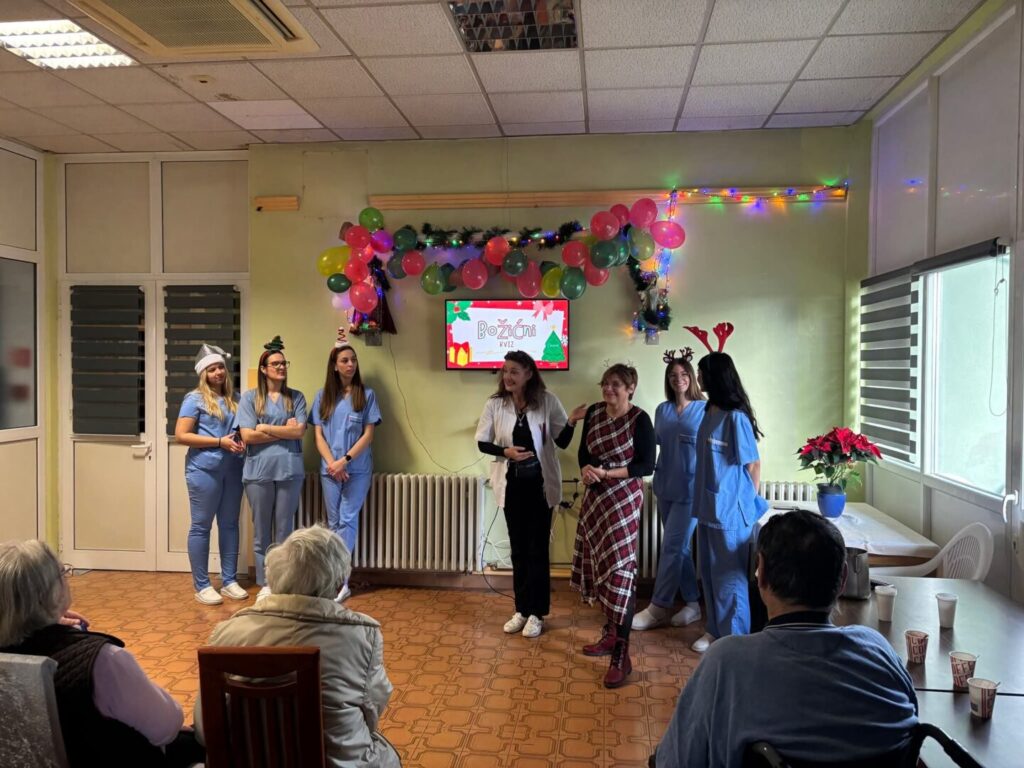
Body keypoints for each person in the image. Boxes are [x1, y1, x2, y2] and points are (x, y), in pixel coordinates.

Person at [651, 511, 919, 767]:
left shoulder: (726, 662)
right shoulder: (878, 651)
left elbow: (674, 761)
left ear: (761, 573)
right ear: (842, 580)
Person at [195, 525, 401, 768]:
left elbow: (203, 729)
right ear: (338, 587)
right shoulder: (361, 636)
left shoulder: (227, 633)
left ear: (274, 578)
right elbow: (371, 712)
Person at [0, 539, 192, 767]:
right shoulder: (104, 660)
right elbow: (166, 727)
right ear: (51, 593)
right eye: (63, 573)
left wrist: (45, 620)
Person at [475, 350, 586, 639]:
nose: (508, 376)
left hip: (540, 487)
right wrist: (506, 452)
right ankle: (522, 609)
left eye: (514, 371)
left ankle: (537, 613)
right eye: (505, 371)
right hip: (511, 486)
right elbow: (483, 443)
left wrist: (572, 421)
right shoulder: (495, 404)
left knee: (537, 550)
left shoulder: (547, 401)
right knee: (518, 550)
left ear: (528, 373)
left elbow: (561, 441)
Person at [571, 363, 655, 688]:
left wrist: (606, 473)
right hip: (596, 499)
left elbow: (646, 465)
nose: (609, 389)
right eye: (605, 383)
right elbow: (583, 453)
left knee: (621, 569)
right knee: (601, 564)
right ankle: (610, 633)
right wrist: (586, 471)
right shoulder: (593, 413)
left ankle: (622, 652)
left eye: (616, 384)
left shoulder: (640, 419)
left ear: (631, 387)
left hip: (623, 500)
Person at [687, 329, 769, 654]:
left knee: (730, 579)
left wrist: (746, 505)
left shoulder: (736, 419)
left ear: (714, 376)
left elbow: (753, 465)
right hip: (708, 508)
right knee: (708, 574)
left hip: (731, 513)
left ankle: (734, 641)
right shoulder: (709, 411)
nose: (697, 378)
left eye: (701, 372)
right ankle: (714, 630)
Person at [633, 349, 707, 631]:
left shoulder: (704, 409)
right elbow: (655, 443)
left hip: (691, 489)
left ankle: (658, 606)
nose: (679, 379)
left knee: (672, 546)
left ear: (692, 377)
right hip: (665, 485)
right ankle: (692, 603)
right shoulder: (662, 410)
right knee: (680, 548)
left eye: (684, 374)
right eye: (673, 375)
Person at [311, 330, 382, 603]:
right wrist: (332, 463)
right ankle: (333, 578)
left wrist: (345, 461)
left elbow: (368, 435)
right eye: (344, 360)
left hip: (356, 469)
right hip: (330, 470)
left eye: (353, 360)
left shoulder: (367, 395)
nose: (350, 364)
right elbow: (318, 436)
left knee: (348, 519)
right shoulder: (322, 397)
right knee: (334, 522)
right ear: (334, 365)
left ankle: (342, 581)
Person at [174, 343, 246, 606]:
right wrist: (218, 442)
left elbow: (242, 430)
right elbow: (181, 435)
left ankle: (229, 580)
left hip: (233, 469)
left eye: (221, 368)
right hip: (204, 470)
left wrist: (242, 441)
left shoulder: (237, 398)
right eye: (212, 369)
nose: (218, 373)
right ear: (203, 373)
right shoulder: (194, 399)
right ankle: (202, 585)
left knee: (229, 524)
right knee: (201, 526)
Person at [236, 335, 307, 601]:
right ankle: (265, 582)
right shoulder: (249, 399)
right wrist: (282, 431)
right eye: (275, 364)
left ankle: (284, 581)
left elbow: (298, 432)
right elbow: (247, 436)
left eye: (283, 363)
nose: (281, 367)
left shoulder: (296, 398)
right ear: (264, 369)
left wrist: (264, 427)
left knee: (285, 530)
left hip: (289, 470)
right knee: (262, 530)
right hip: (258, 472)